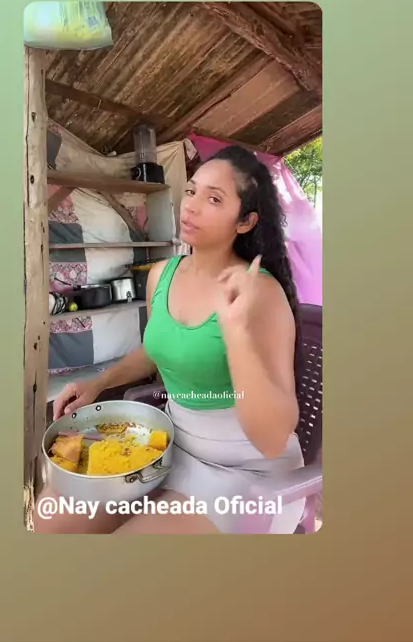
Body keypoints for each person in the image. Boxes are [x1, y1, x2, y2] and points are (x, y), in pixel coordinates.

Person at [34, 145, 305, 534]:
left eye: (214, 199)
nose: (191, 205)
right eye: (192, 191)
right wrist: (98, 383)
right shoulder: (162, 274)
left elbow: (273, 439)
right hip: (171, 448)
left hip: (247, 473)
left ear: (245, 222)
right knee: (50, 519)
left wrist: (237, 333)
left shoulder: (260, 294)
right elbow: (156, 348)